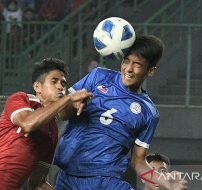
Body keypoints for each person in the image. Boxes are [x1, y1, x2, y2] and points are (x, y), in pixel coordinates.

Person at [54, 34, 188, 190]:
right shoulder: (98, 76)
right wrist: (71, 102)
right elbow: (63, 114)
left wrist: (166, 182)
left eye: (137, 64)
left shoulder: (149, 112)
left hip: (105, 182)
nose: (129, 69)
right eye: (126, 61)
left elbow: (138, 161)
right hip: (67, 178)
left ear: (151, 70)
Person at [0, 57, 92, 190]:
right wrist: (69, 98)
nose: (60, 87)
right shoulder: (21, 99)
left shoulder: (53, 131)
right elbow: (27, 123)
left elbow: (37, 183)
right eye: (54, 81)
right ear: (37, 86)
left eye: (63, 83)